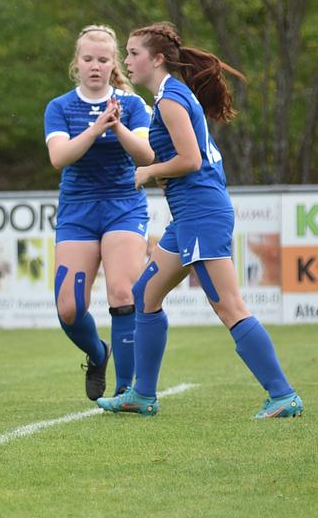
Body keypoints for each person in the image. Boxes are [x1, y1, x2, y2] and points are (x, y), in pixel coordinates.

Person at [98, 22, 303, 418]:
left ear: (157, 59)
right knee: (145, 295)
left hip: (201, 215)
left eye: (132, 53)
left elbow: (190, 161)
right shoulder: (170, 95)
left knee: (229, 307)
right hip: (190, 217)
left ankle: (283, 395)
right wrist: (125, 132)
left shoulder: (171, 99)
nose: (126, 60)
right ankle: (142, 395)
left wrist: (149, 173)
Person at [43, 25, 155, 400]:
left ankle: (126, 391)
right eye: (88, 59)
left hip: (123, 205)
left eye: (103, 59)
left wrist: (117, 124)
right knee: (69, 307)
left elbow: (146, 157)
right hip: (78, 209)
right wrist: (96, 127)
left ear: (113, 65)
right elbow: (59, 158)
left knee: (123, 292)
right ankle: (97, 353)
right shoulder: (59, 107)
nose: (95, 66)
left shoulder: (133, 104)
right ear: (76, 63)